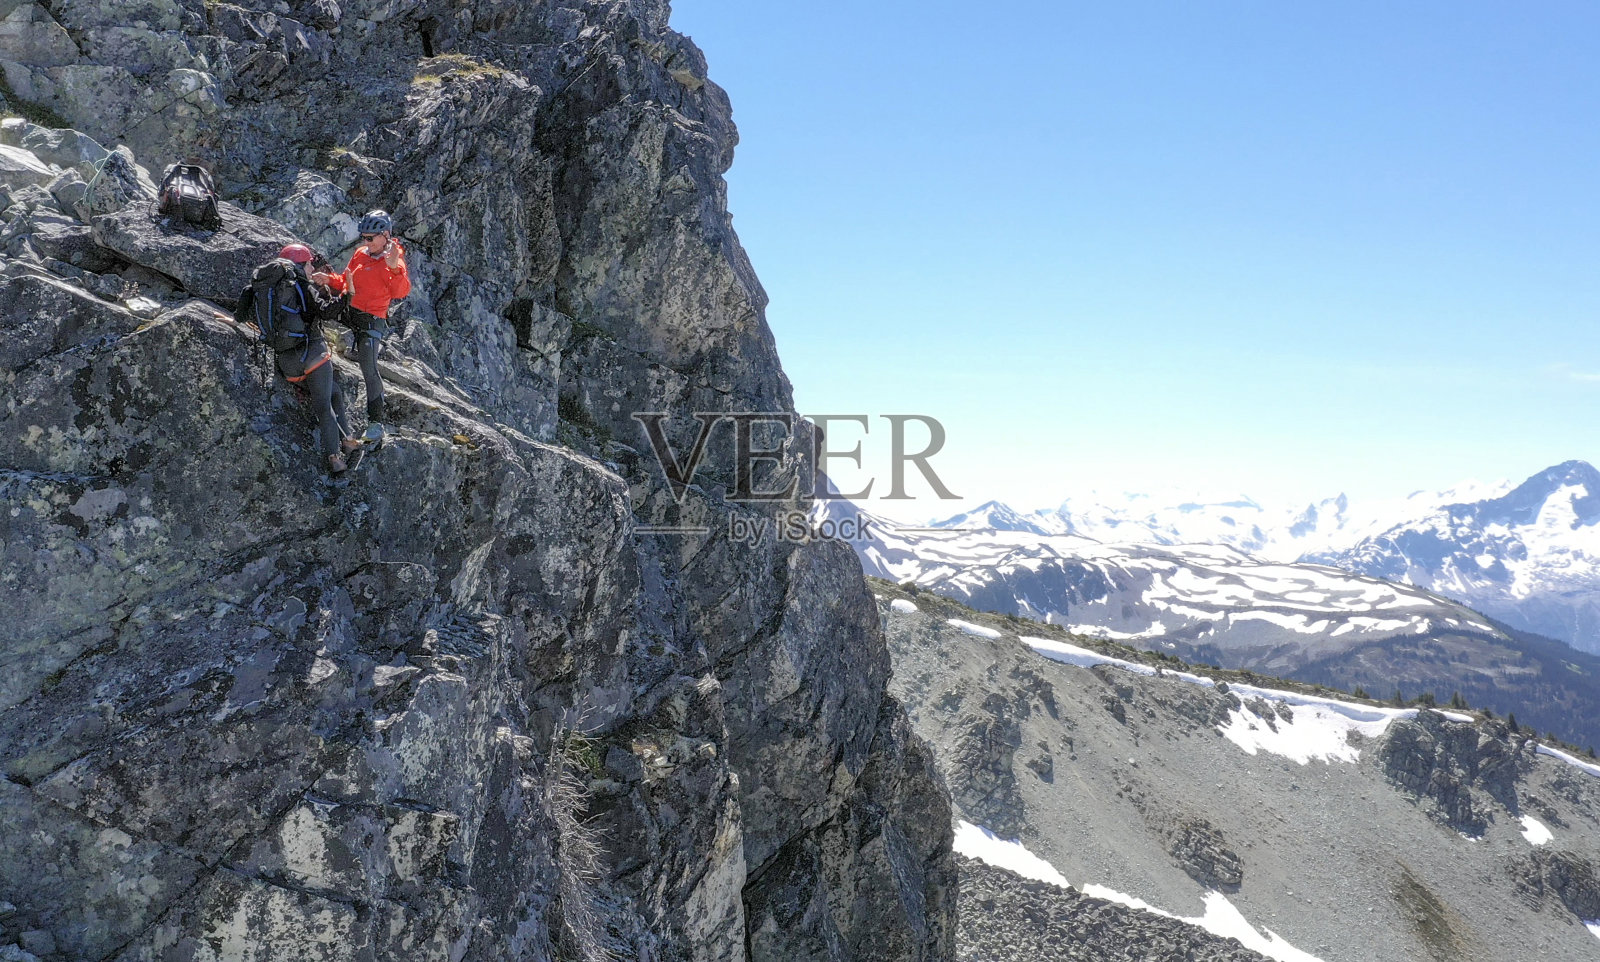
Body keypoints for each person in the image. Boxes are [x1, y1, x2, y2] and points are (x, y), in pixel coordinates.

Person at [237, 243, 362, 473]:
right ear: (301, 264)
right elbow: (327, 312)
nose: (311, 270)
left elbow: (241, 314)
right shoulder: (302, 285)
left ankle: (349, 440)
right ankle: (335, 457)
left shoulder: (264, 286)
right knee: (324, 404)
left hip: (287, 364)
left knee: (334, 391)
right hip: (312, 355)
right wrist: (348, 293)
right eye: (309, 265)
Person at [313, 209, 410, 441]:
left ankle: (376, 421)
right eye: (363, 237)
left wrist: (395, 267)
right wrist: (329, 280)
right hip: (349, 312)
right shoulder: (360, 253)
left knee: (369, 368)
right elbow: (347, 282)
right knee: (314, 310)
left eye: (370, 238)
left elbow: (401, 291)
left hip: (371, 319)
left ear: (385, 235)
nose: (365, 242)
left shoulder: (393, 258)